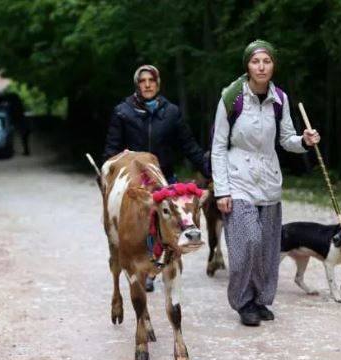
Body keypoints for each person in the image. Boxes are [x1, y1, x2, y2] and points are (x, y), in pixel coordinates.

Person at [211, 40, 321, 326]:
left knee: (268, 246)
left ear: (273, 65)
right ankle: (243, 301)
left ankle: (260, 300)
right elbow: (219, 146)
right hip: (238, 179)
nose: (261, 66)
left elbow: (286, 140)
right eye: (255, 61)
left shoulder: (279, 99)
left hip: (269, 180)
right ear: (247, 65)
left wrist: (305, 142)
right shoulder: (231, 97)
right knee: (247, 240)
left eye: (267, 61)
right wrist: (221, 190)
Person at [103, 64, 209, 292]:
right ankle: (146, 269)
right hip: (136, 183)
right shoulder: (123, 112)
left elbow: (189, 145)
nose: (147, 84)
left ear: (158, 83)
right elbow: (112, 150)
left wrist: (210, 171)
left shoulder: (171, 112)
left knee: (168, 224)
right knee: (140, 228)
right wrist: (109, 178)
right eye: (143, 81)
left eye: (151, 80)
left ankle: (164, 263)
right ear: (137, 85)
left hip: (165, 179)